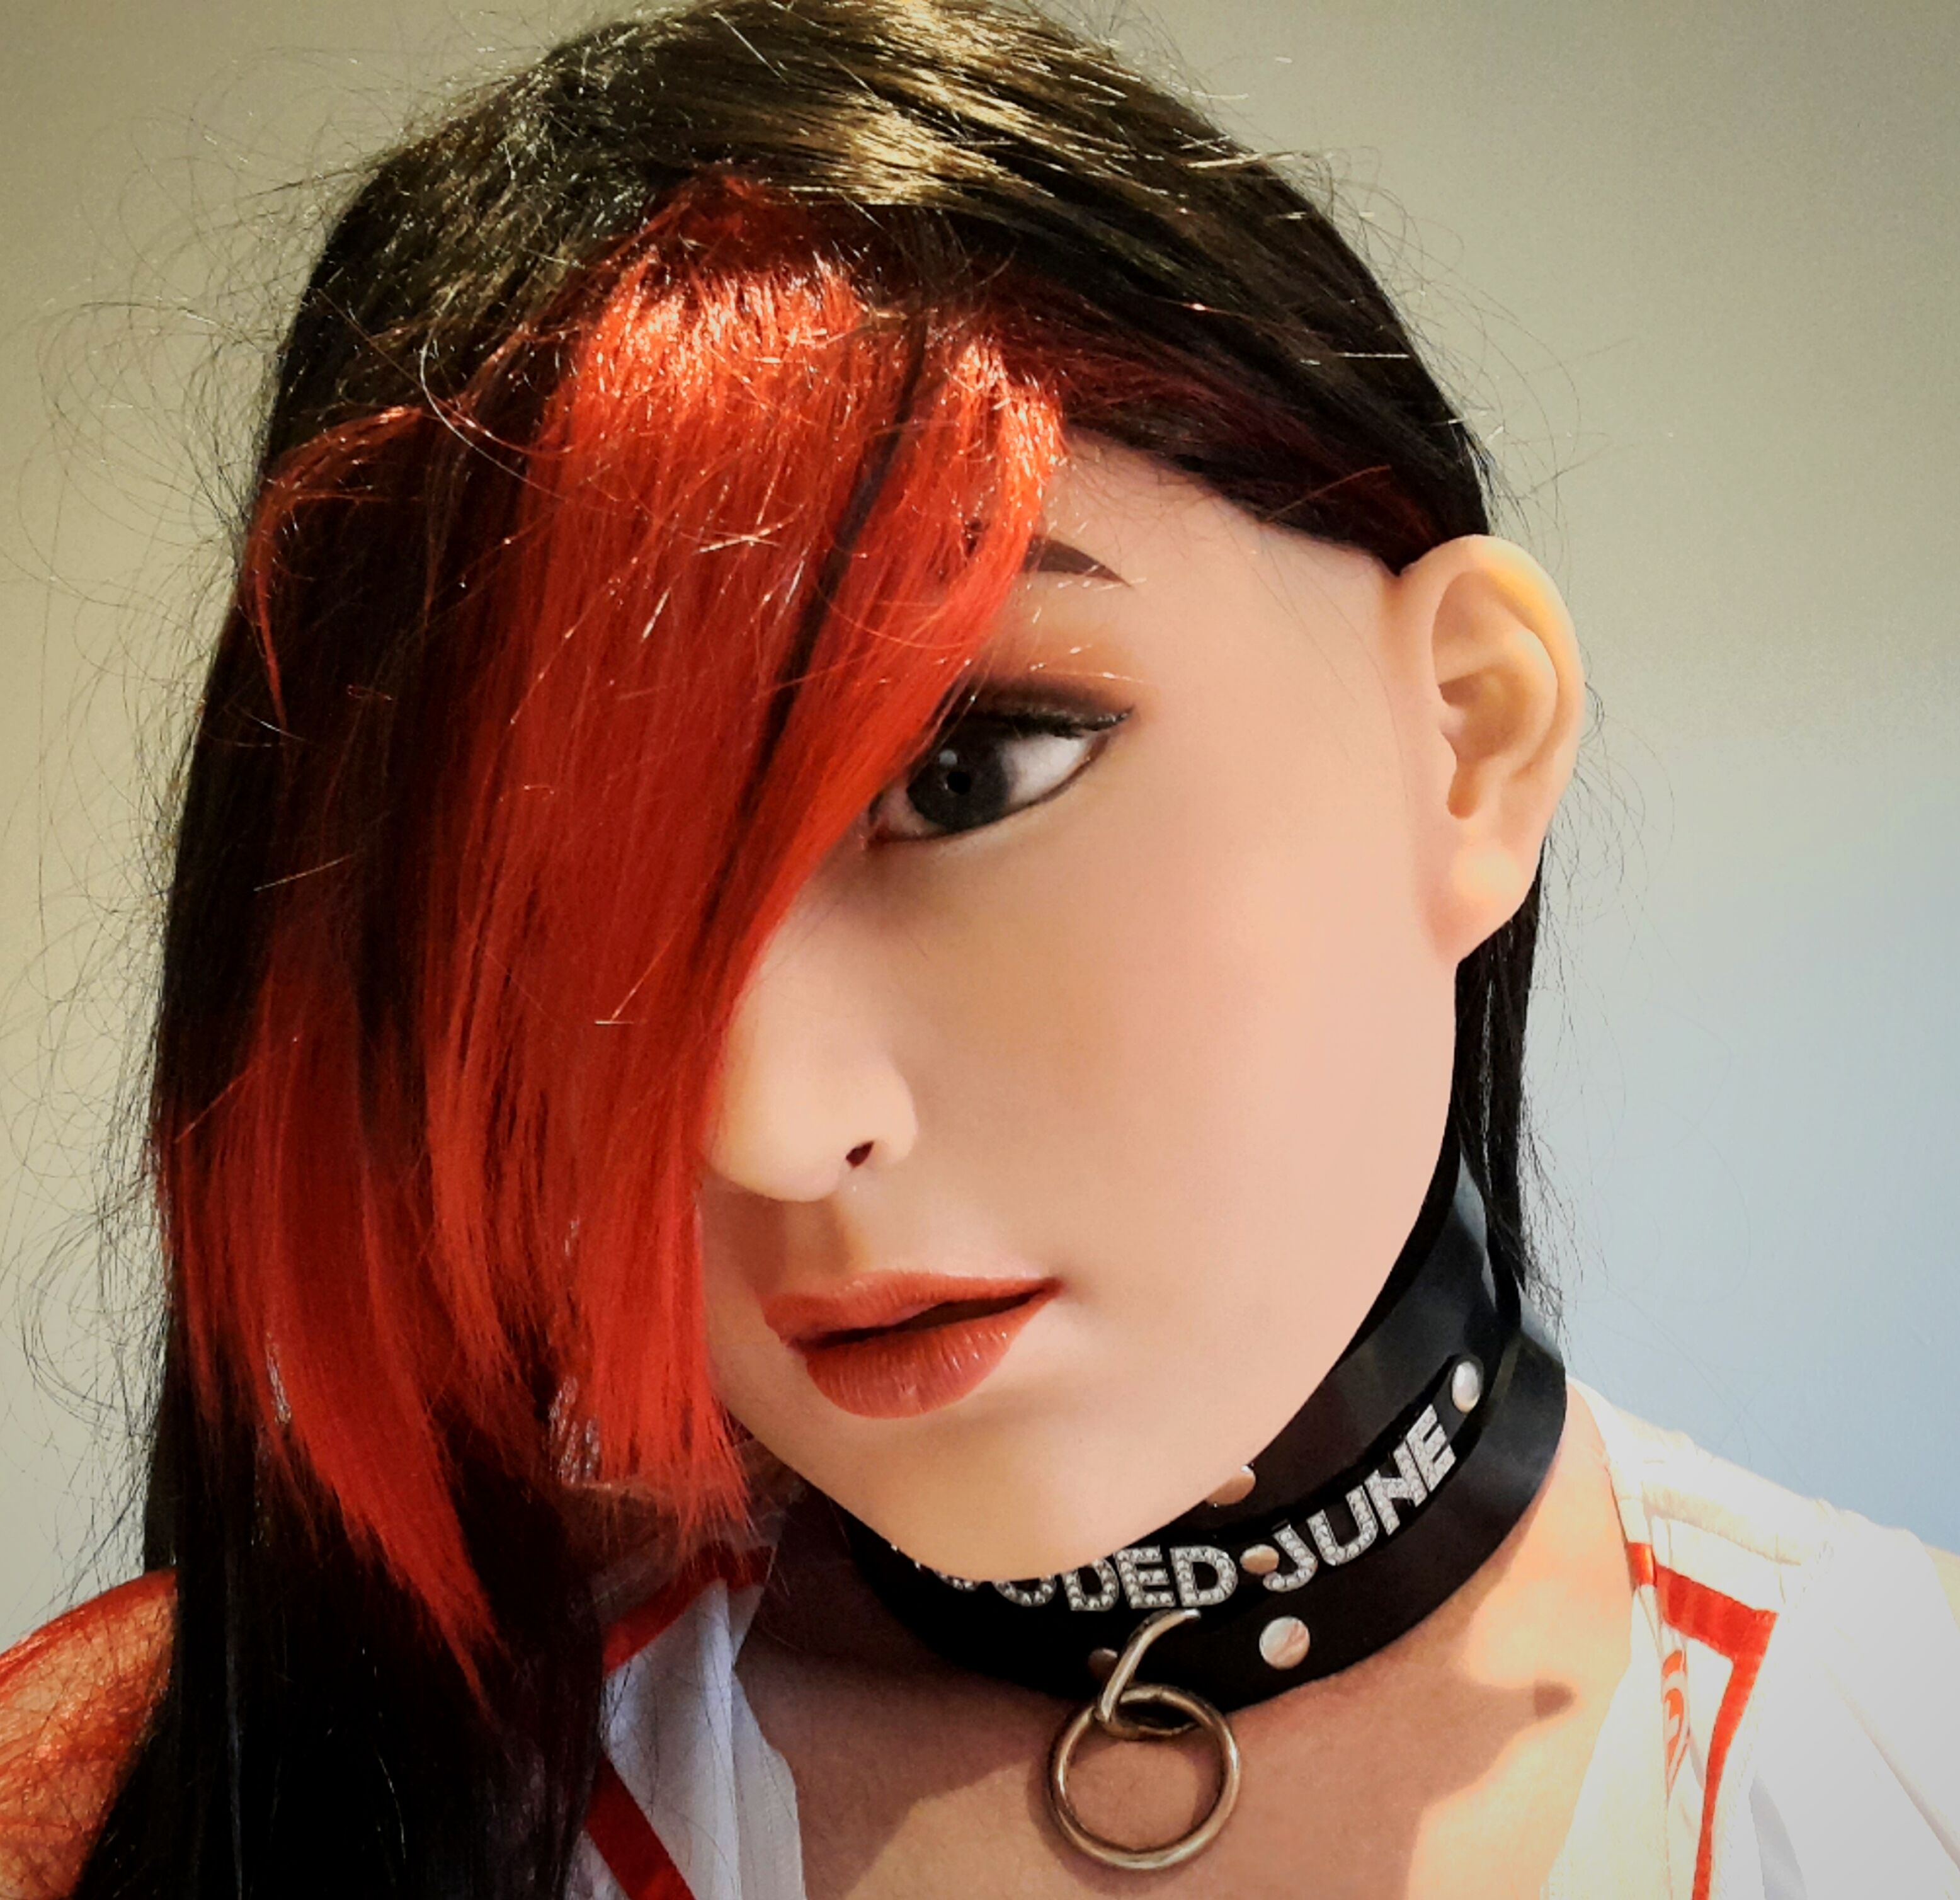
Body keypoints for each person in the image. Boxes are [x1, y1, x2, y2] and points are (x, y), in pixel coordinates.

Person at [2, 1, 1956, 1896]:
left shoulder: (1904, 1766)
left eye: (970, 771)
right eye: (546, 923)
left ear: (1465, 738)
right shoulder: (162, 1810)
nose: (769, 1122)